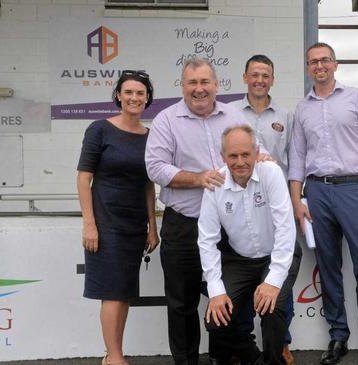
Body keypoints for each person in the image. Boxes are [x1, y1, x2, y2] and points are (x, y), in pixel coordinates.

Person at [288, 42, 358, 365]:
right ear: (308, 67)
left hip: (354, 189)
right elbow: (296, 159)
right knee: (329, 265)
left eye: (324, 60)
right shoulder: (302, 109)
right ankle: (338, 335)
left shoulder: (355, 99)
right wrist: (297, 201)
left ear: (334, 64)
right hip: (317, 192)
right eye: (313, 62)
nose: (319, 66)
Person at [145, 58, 261, 365]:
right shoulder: (166, 120)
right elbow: (155, 168)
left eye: (205, 82)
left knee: (227, 297)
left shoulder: (233, 116)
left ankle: (222, 358)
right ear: (182, 86)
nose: (199, 89)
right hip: (184, 225)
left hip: (228, 227)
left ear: (216, 85)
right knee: (182, 304)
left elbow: (252, 155)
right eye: (192, 83)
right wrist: (198, 178)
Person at [77, 70, 159, 365]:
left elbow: (149, 184)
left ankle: (113, 354)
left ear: (148, 98)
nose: (134, 98)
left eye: (140, 93)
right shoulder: (99, 129)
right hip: (105, 224)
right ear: (118, 97)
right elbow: (83, 179)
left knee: (123, 292)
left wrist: (152, 226)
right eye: (129, 92)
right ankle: (115, 357)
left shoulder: (151, 137)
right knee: (111, 293)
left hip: (134, 226)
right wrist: (89, 224)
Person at [198, 125, 298, 365]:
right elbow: (207, 239)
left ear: (256, 153)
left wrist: (273, 282)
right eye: (233, 156)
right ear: (223, 157)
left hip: (278, 255)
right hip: (240, 260)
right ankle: (253, 358)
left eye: (246, 154)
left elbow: (286, 228)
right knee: (216, 318)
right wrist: (216, 290)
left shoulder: (271, 173)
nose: (240, 161)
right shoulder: (215, 184)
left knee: (271, 309)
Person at [230, 54, 300, 365]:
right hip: (240, 205)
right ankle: (244, 344)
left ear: (272, 79)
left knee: (280, 275)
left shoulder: (285, 115)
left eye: (266, 75)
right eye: (255, 74)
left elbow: (295, 159)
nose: (260, 80)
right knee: (244, 272)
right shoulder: (228, 113)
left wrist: (295, 199)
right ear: (245, 77)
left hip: (275, 206)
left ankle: (282, 342)